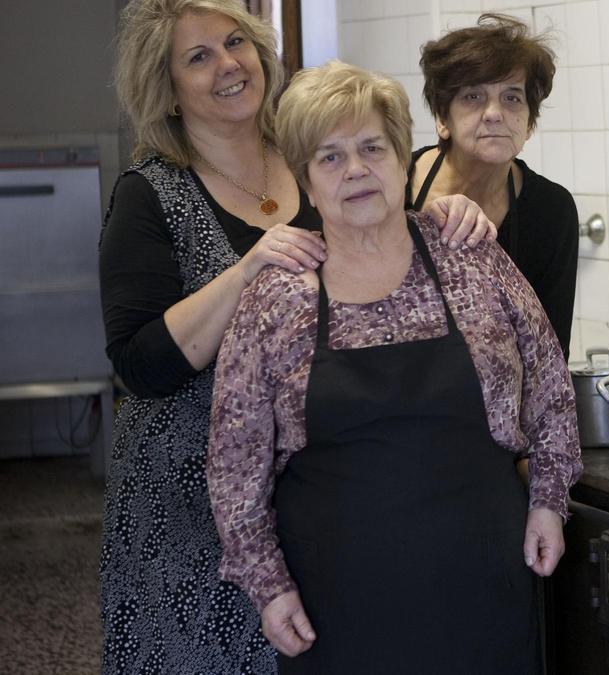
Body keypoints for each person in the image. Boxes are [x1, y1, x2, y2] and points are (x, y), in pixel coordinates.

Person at [98, 1, 492, 671]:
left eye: (235, 43)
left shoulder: (309, 154)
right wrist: (247, 270)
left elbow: (382, 224)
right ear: (166, 87)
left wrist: (443, 209)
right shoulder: (150, 194)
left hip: (314, 493)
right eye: (199, 57)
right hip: (189, 506)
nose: (228, 65)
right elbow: (139, 364)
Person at [207, 60, 582, 674]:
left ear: (403, 160)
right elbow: (234, 462)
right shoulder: (278, 298)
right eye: (330, 157)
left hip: (485, 581)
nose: (355, 169)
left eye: (372, 148)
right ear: (306, 180)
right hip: (336, 601)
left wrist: (547, 500)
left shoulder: (470, 258)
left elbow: (551, 389)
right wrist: (267, 586)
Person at [408, 13, 579, 359]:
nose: (494, 113)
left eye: (512, 98)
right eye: (473, 96)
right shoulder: (396, 183)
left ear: (529, 124)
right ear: (442, 119)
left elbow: (550, 350)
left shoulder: (551, 210)